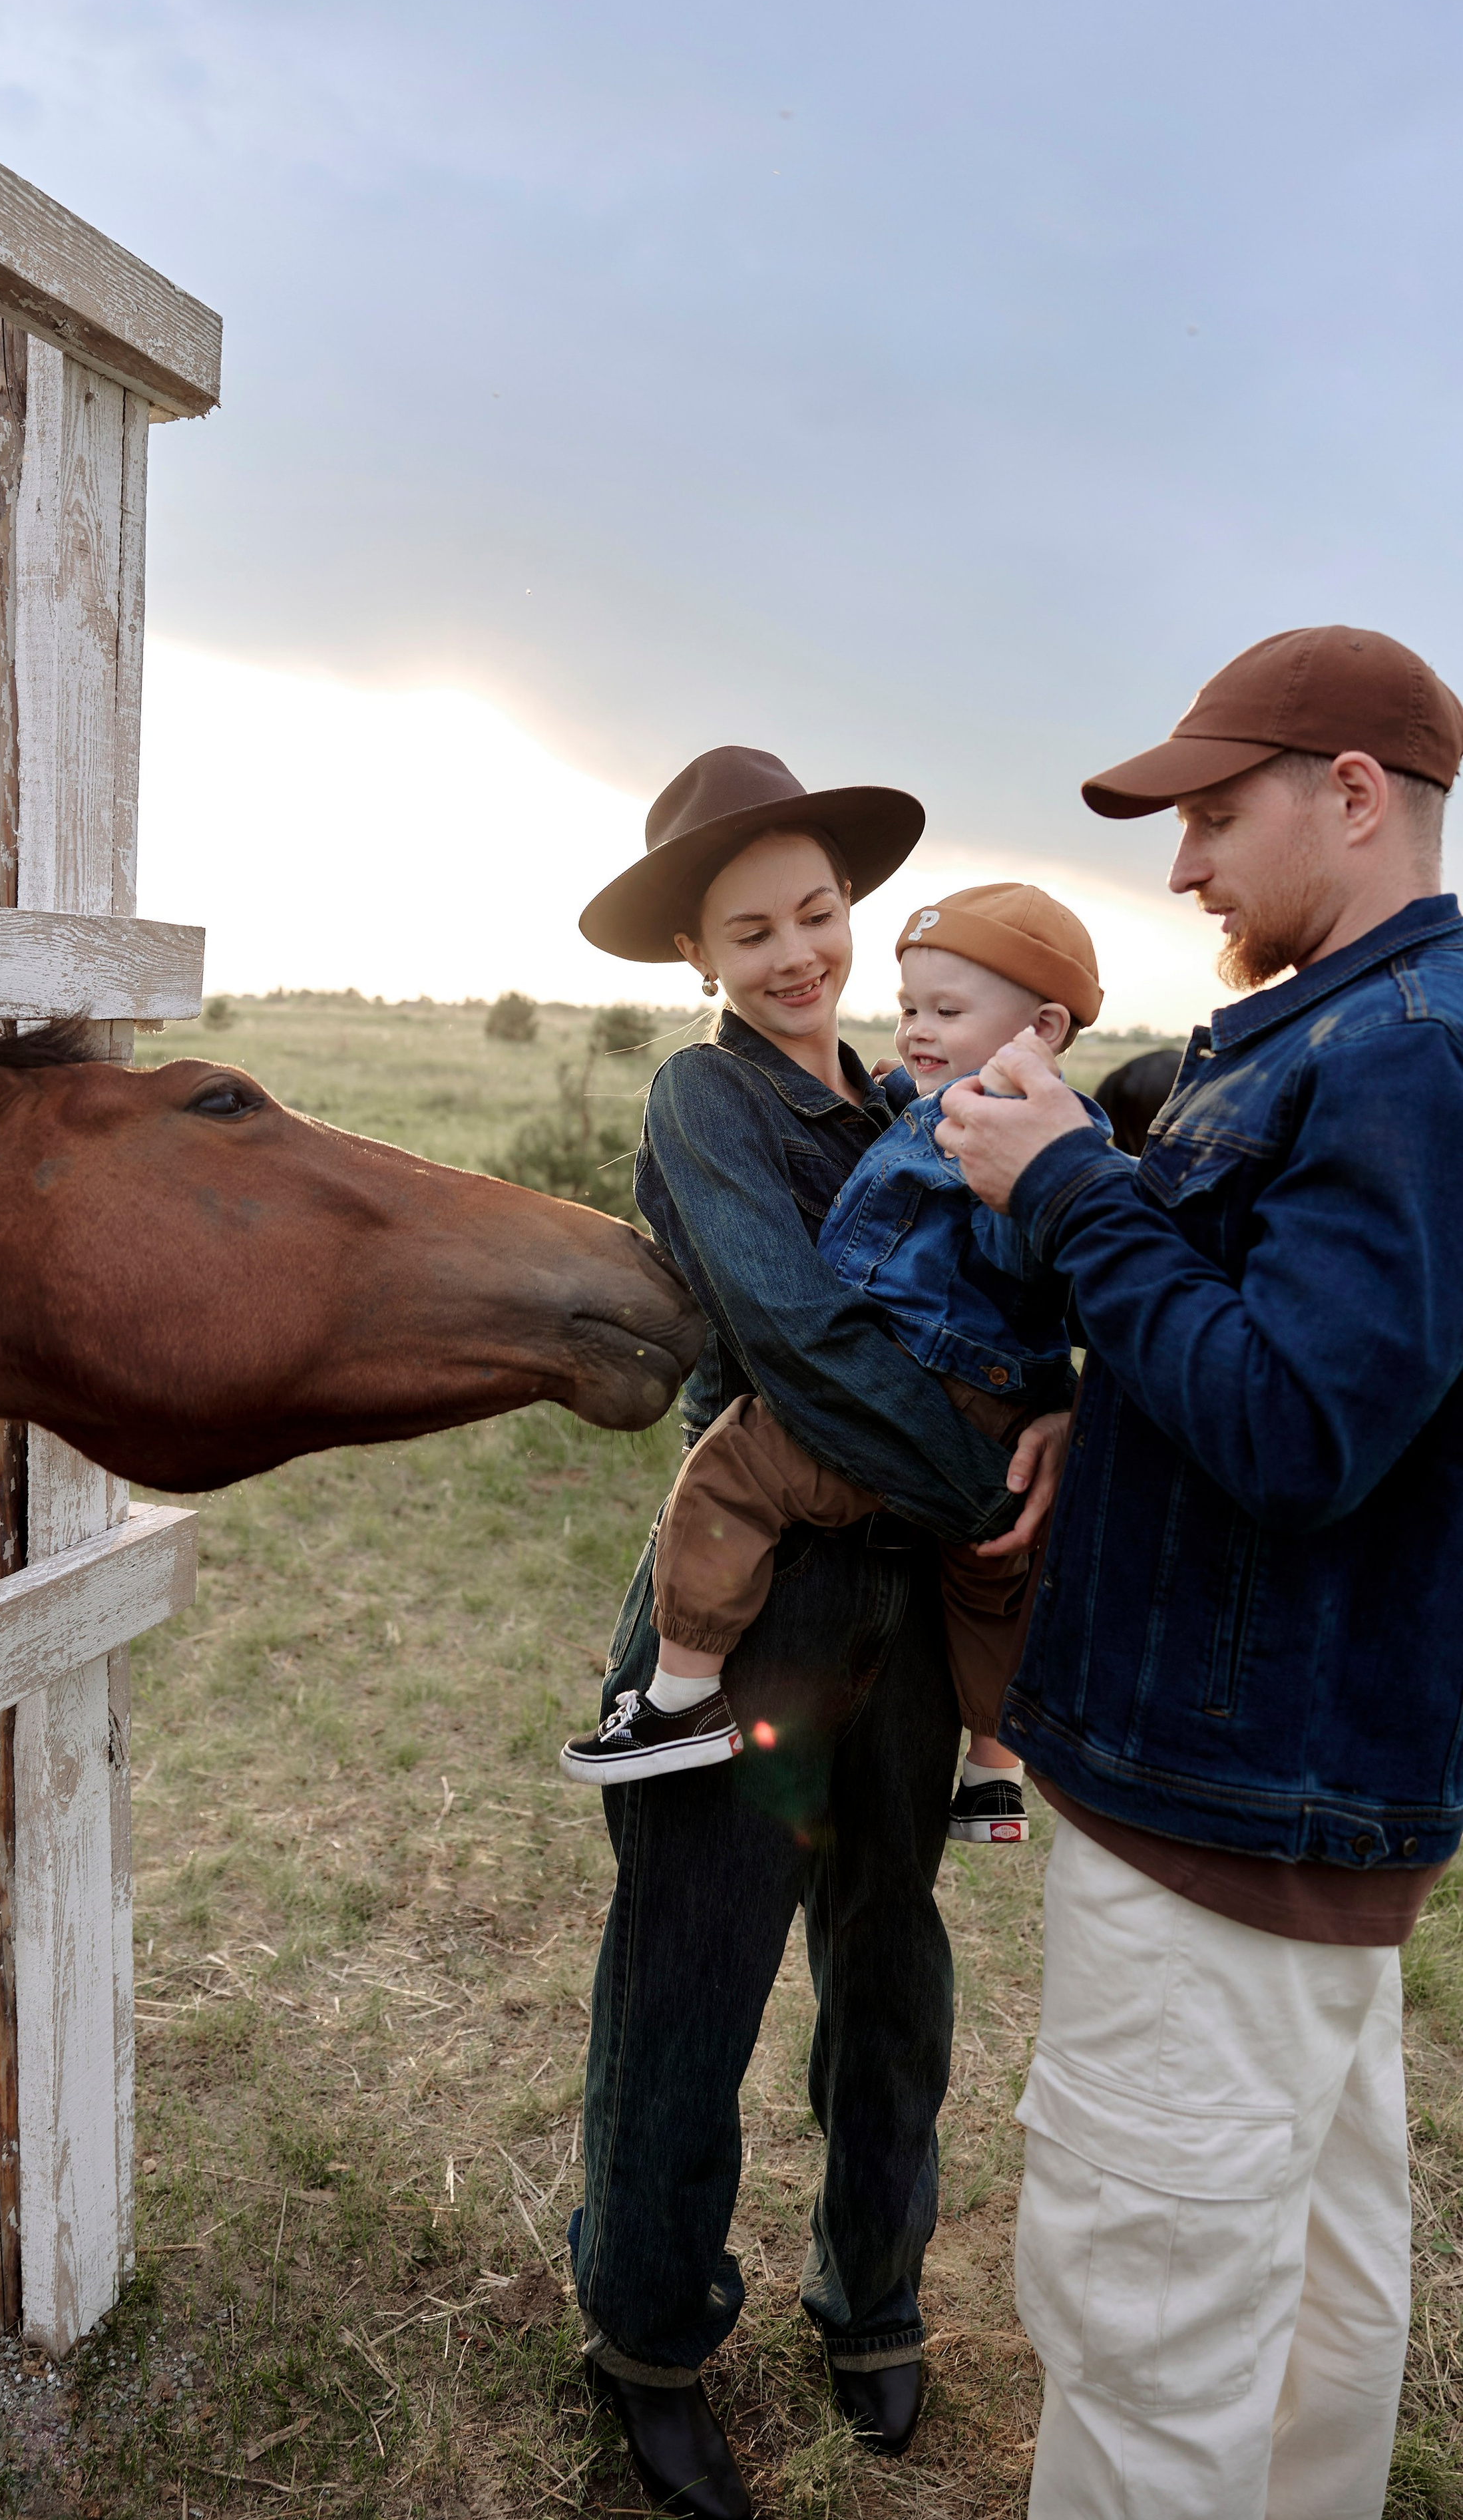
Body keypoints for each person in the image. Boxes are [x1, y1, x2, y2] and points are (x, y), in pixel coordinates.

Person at [936, 624, 1463, 2520]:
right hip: (1294, 1797)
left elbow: (1302, 1431)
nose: (1179, 869)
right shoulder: (1358, 1029)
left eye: (1213, 814)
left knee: (1153, 2342)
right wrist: (1112, 1403)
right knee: (1311, 2317)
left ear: (1350, 794)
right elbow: (1285, 1362)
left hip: (1226, 1808)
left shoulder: (1403, 1057)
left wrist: (1070, 1185)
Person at [566, 747, 1070, 2520]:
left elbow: (1020, 1294)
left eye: (819, 914)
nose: (799, 953)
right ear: (699, 955)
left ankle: (869, 2298)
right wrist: (979, 1476)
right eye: (753, 929)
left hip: (906, 1626)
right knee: (691, 1986)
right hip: (762, 1608)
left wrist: (1061, 1413)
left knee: (891, 1967)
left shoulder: (912, 1093)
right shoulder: (704, 1106)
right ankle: (645, 2339)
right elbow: (796, 1341)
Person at [560, 883, 1111, 1853]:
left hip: (928, 1391)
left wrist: (1037, 1425)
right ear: (700, 951)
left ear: (1045, 1026)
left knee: (733, 1470)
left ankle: (681, 1695)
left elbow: (1042, 1269)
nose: (918, 1030)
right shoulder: (745, 1092)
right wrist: (1028, 1439)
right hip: (972, 1415)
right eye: (911, 1009)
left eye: (946, 1013)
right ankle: (994, 1768)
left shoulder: (1015, 1130)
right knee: (992, 1579)